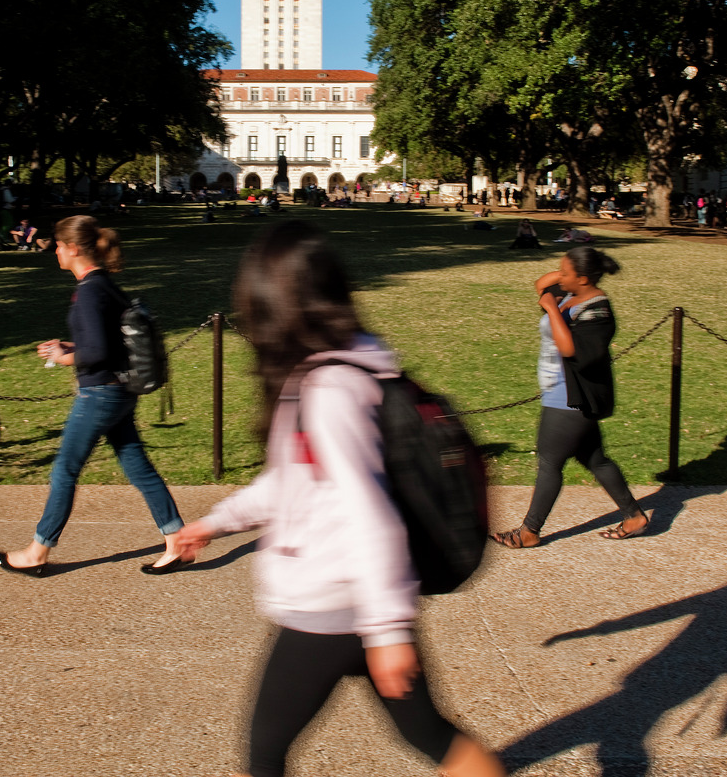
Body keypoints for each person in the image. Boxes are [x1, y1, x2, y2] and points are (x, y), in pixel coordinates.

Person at [173, 222, 505, 777]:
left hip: (333, 607)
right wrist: (216, 523)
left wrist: (387, 630)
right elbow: (294, 482)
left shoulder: (329, 389)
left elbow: (367, 511)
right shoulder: (342, 368)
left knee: (265, 753)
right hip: (355, 601)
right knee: (430, 734)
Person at [0, 215, 186, 577]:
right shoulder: (104, 285)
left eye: (59, 245)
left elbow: (97, 351)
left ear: (73, 248)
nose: (55, 251)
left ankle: (37, 552)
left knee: (64, 470)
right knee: (138, 467)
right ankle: (177, 542)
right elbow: (109, 342)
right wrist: (68, 344)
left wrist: (65, 356)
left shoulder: (90, 290)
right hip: (119, 391)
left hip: (99, 394)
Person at [491, 246, 648, 549]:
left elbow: (570, 349)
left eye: (566, 274)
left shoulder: (597, 311)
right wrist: (565, 270)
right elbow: (541, 284)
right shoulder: (570, 294)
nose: (558, 278)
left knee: (550, 462)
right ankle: (634, 517)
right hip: (559, 390)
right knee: (596, 460)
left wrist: (552, 309)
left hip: (569, 397)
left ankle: (529, 531)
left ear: (585, 279)